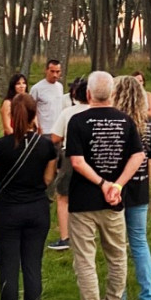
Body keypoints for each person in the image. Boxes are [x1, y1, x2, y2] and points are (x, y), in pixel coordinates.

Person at [64, 71, 145, 300]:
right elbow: (138, 156)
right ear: (111, 94)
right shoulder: (125, 121)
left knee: (85, 259)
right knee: (117, 255)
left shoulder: (77, 121)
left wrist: (102, 183)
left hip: (84, 200)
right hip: (114, 201)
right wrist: (117, 184)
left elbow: (77, 161)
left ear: (88, 94)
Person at [0, 92, 56, 300]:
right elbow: (48, 179)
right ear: (34, 116)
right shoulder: (46, 146)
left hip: (7, 209)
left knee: (8, 265)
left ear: (11, 117)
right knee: (32, 264)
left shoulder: (0, 147)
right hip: (37, 209)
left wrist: (6, 197)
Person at [113, 74, 151, 300]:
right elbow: (150, 157)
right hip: (140, 186)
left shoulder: (116, 122)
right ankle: (149, 296)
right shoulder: (147, 124)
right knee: (140, 242)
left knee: (118, 245)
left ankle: (118, 297)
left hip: (117, 187)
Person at [46, 76, 88, 251]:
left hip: (71, 156)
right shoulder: (99, 111)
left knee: (63, 197)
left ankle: (65, 237)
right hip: (94, 157)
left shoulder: (68, 113)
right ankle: (86, 235)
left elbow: (55, 137)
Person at [30, 58, 65, 138]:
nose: (55, 75)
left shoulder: (60, 87)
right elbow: (31, 109)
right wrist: (36, 125)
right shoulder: (37, 88)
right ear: (46, 70)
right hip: (43, 131)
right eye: (52, 71)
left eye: (57, 72)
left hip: (57, 131)